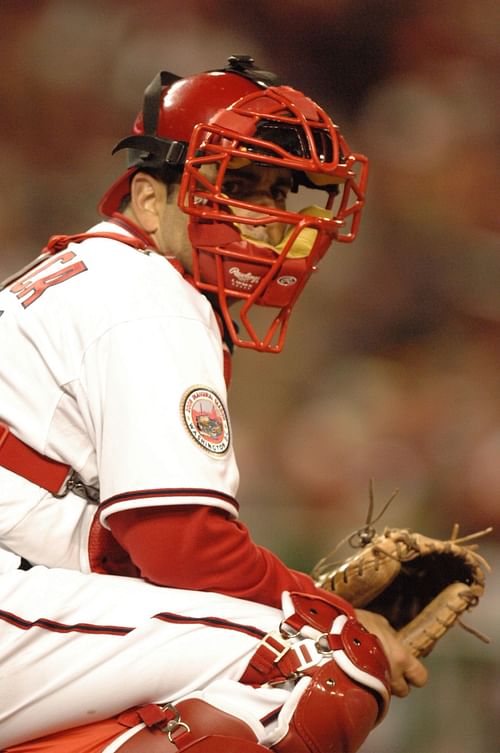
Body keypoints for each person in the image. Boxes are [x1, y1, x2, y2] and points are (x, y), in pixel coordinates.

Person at [0, 56, 427, 752]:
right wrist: (329, 615)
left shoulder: (106, 274)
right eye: (238, 186)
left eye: (279, 193)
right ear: (148, 199)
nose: (268, 220)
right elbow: (187, 550)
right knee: (316, 663)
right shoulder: (151, 300)